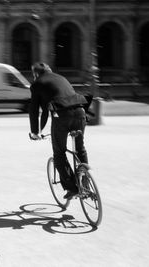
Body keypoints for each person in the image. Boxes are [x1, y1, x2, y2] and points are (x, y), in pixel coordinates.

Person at [28, 62, 90, 200]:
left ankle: (72, 188)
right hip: (80, 112)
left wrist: (35, 132)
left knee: (59, 153)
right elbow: (45, 111)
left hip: (62, 116)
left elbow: (34, 110)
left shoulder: (37, 84)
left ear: (35, 74)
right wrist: (40, 127)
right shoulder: (60, 78)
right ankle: (85, 182)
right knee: (80, 148)